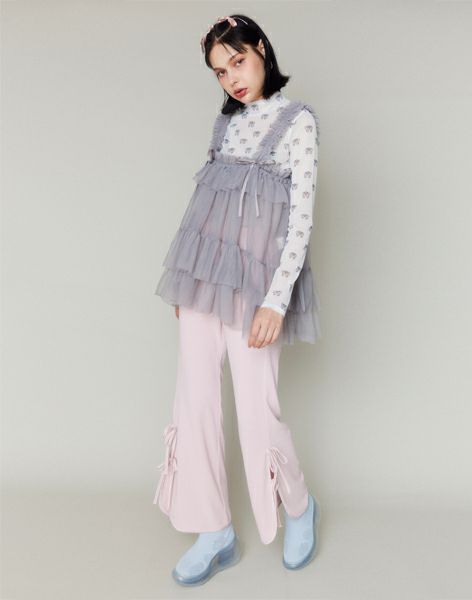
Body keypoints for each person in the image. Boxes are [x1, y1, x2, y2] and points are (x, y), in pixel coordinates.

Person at [153, 14, 321, 586]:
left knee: (256, 410)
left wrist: (276, 300)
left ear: (261, 50)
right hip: (203, 281)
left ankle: (298, 506)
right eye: (221, 72)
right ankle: (213, 529)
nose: (232, 79)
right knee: (194, 402)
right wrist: (188, 277)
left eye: (238, 62)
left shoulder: (298, 122)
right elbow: (206, 203)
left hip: (257, 288)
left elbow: (300, 220)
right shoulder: (226, 124)